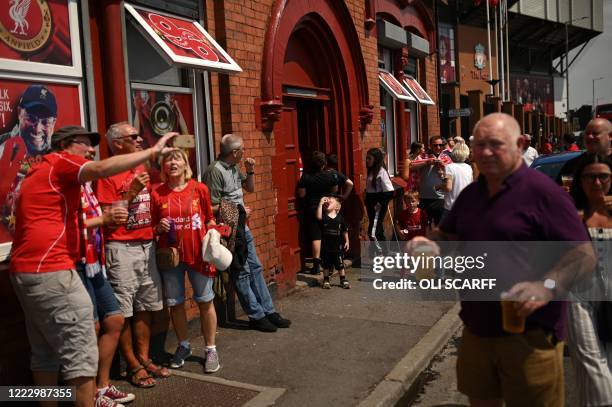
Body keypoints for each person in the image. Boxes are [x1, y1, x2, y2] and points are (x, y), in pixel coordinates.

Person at [410, 113, 594, 406]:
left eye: (495, 144)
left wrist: (546, 286)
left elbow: (582, 254)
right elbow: (448, 235)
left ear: (520, 144)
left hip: (530, 335)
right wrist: (429, 244)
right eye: (479, 144)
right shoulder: (471, 195)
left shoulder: (544, 193)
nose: (484, 152)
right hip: (476, 330)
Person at [9, 125, 176, 407]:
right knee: (81, 359)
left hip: (28, 270)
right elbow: (100, 169)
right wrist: (152, 151)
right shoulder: (60, 163)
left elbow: (64, 223)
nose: (90, 150)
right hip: (53, 270)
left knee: (45, 354)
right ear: (65, 146)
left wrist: (105, 216)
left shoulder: (42, 173)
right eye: (85, 144)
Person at [96, 122, 169, 388]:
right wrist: (131, 192)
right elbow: (109, 218)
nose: (139, 140)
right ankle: (132, 365)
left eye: (139, 136)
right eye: (133, 137)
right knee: (124, 311)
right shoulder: (107, 173)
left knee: (145, 307)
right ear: (117, 143)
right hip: (121, 248)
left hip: (146, 245)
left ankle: (144, 357)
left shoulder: (141, 167)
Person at [203, 134, 290, 333]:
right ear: (234, 152)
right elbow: (209, 206)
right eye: (242, 149)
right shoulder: (214, 171)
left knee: (256, 267)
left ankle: (269, 311)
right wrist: (237, 209)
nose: (244, 152)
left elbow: (249, 189)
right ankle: (256, 315)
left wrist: (250, 171)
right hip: (229, 231)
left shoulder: (234, 167)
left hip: (243, 227)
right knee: (241, 272)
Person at [75, 138, 135, 406]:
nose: (92, 151)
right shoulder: (61, 185)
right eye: (84, 145)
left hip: (93, 260)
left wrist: (124, 200)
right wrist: (104, 218)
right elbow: (65, 225)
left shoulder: (85, 184)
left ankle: (101, 386)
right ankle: (85, 396)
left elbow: (104, 215)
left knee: (114, 320)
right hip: (73, 264)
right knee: (92, 327)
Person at [151, 149, 220, 373]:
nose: (172, 162)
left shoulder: (199, 189)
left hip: (198, 255)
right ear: (163, 167)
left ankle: (210, 349)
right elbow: (151, 227)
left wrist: (213, 233)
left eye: (177, 158)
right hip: (170, 258)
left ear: (185, 165)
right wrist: (156, 228)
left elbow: (209, 218)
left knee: (205, 300)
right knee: (176, 302)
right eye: (168, 160)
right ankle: (183, 345)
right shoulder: (156, 193)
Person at [567, 152, 612, 406]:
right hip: (578, 295)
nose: (596, 183)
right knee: (594, 367)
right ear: (579, 180)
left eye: (603, 176)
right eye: (590, 177)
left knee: (597, 372)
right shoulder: (570, 213)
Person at [0, 85, 57, 234]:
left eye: (45, 122)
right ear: (19, 113)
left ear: (54, 123)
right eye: (31, 119)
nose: (37, 129)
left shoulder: (57, 156)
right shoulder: (3, 150)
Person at [297, 151, 339, 275]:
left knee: (316, 236)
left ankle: (316, 265)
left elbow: (301, 194)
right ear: (324, 164)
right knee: (328, 235)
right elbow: (335, 190)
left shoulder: (306, 176)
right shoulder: (329, 176)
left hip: (313, 209)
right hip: (327, 207)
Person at [411, 136, 449, 226]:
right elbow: (411, 167)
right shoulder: (422, 156)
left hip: (440, 198)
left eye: (440, 145)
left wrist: (443, 166)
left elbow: (452, 174)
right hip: (423, 197)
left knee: (439, 227)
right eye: (435, 145)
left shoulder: (446, 157)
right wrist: (426, 163)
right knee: (424, 226)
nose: (438, 147)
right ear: (430, 145)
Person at [559, 118, 612, 182]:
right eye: (587, 133)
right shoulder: (572, 165)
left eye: (595, 133)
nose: (589, 136)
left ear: (610, 136)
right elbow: (560, 189)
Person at [315, 196, 350, 289]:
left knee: (340, 264)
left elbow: (344, 231)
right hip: (326, 246)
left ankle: (343, 279)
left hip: (337, 246)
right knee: (326, 264)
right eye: (326, 204)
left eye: (331, 201)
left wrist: (347, 241)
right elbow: (318, 217)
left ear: (337, 207)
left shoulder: (340, 218)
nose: (327, 202)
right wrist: (320, 203)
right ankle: (326, 280)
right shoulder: (324, 217)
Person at [364, 148, 394, 251]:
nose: (367, 160)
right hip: (370, 204)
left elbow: (390, 192)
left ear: (376, 159)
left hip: (378, 205)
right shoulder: (371, 171)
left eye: (369, 158)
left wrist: (381, 203)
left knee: (373, 232)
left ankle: (381, 253)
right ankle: (383, 254)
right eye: (366, 158)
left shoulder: (382, 172)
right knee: (377, 230)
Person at [436, 143, 473, 219]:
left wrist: (438, 186)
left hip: (452, 207)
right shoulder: (469, 167)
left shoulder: (449, 167)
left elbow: (448, 187)